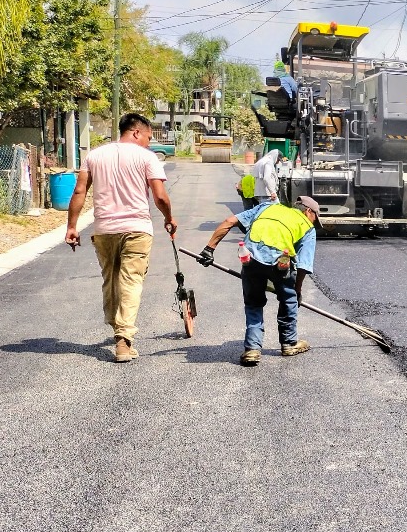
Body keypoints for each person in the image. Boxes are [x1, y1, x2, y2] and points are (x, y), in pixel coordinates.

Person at [64, 112, 177, 363]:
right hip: (136, 228)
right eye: (148, 136)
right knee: (131, 280)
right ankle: (124, 340)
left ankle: (117, 325)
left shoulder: (94, 155)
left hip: (103, 228)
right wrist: (169, 218)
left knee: (111, 279)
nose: (149, 142)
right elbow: (159, 196)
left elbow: (80, 190)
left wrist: (71, 226)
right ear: (136, 132)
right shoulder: (147, 157)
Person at [199, 195, 321, 367]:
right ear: (309, 211)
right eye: (316, 217)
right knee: (288, 300)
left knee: (254, 302)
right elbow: (303, 266)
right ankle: (289, 343)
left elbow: (229, 221)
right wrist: (297, 291)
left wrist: (209, 249)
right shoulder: (307, 227)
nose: (315, 222)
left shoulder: (266, 207)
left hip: (250, 258)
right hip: (281, 262)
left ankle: (252, 349)